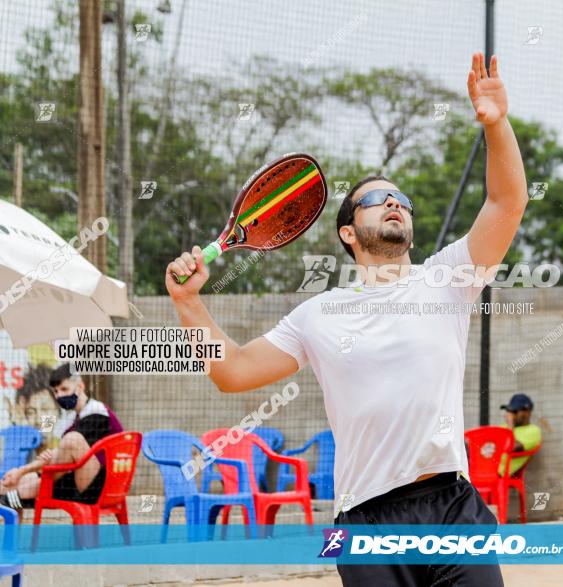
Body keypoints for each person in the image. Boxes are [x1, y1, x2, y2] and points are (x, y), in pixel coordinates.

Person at [166, 52, 526, 586]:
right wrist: (189, 305)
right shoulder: (318, 314)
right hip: (365, 523)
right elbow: (234, 371)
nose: (395, 204)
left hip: (454, 509)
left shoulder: (447, 279)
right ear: (348, 233)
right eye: (378, 199)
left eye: (401, 198)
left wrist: (496, 124)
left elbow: (506, 202)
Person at [0, 363, 124, 510]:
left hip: (101, 486)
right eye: (56, 392)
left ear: (80, 386)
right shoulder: (71, 419)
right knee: (11, 484)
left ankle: (17, 496)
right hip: (76, 478)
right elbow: (61, 457)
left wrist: (23, 470)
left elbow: (64, 455)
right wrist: (23, 472)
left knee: (71, 441)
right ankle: (12, 511)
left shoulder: (97, 413)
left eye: (64, 389)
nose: (60, 395)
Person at [498, 394, 542, 477]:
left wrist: (511, 424)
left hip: (500, 473)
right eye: (509, 411)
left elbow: (511, 447)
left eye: (514, 411)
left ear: (527, 412)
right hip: (481, 466)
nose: (511, 415)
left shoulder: (533, 431)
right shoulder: (502, 427)